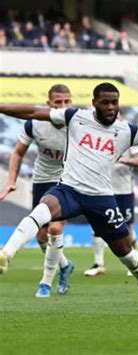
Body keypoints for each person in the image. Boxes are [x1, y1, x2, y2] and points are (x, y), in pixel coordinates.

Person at [0, 82, 138, 302]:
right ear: (94, 103)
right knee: (43, 209)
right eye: (105, 102)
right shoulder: (75, 117)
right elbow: (32, 112)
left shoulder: (126, 131)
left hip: (101, 200)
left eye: (114, 102)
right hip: (69, 190)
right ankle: (6, 254)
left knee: (125, 253)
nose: (111, 107)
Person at [0, 84, 75, 298]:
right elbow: (17, 153)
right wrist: (11, 181)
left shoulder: (78, 123)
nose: (63, 106)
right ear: (48, 104)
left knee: (55, 229)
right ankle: (65, 265)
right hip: (42, 181)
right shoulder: (34, 124)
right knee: (42, 236)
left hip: (68, 181)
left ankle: (45, 283)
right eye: (58, 102)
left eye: (67, 101)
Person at [84, 116, 138, 277]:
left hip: (123, 189)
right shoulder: (97, 135)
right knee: (98, 226)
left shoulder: (130, 134)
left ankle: (134, 262)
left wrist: (122, 160)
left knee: (127, 229)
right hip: (101, 188)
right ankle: (99, 264)